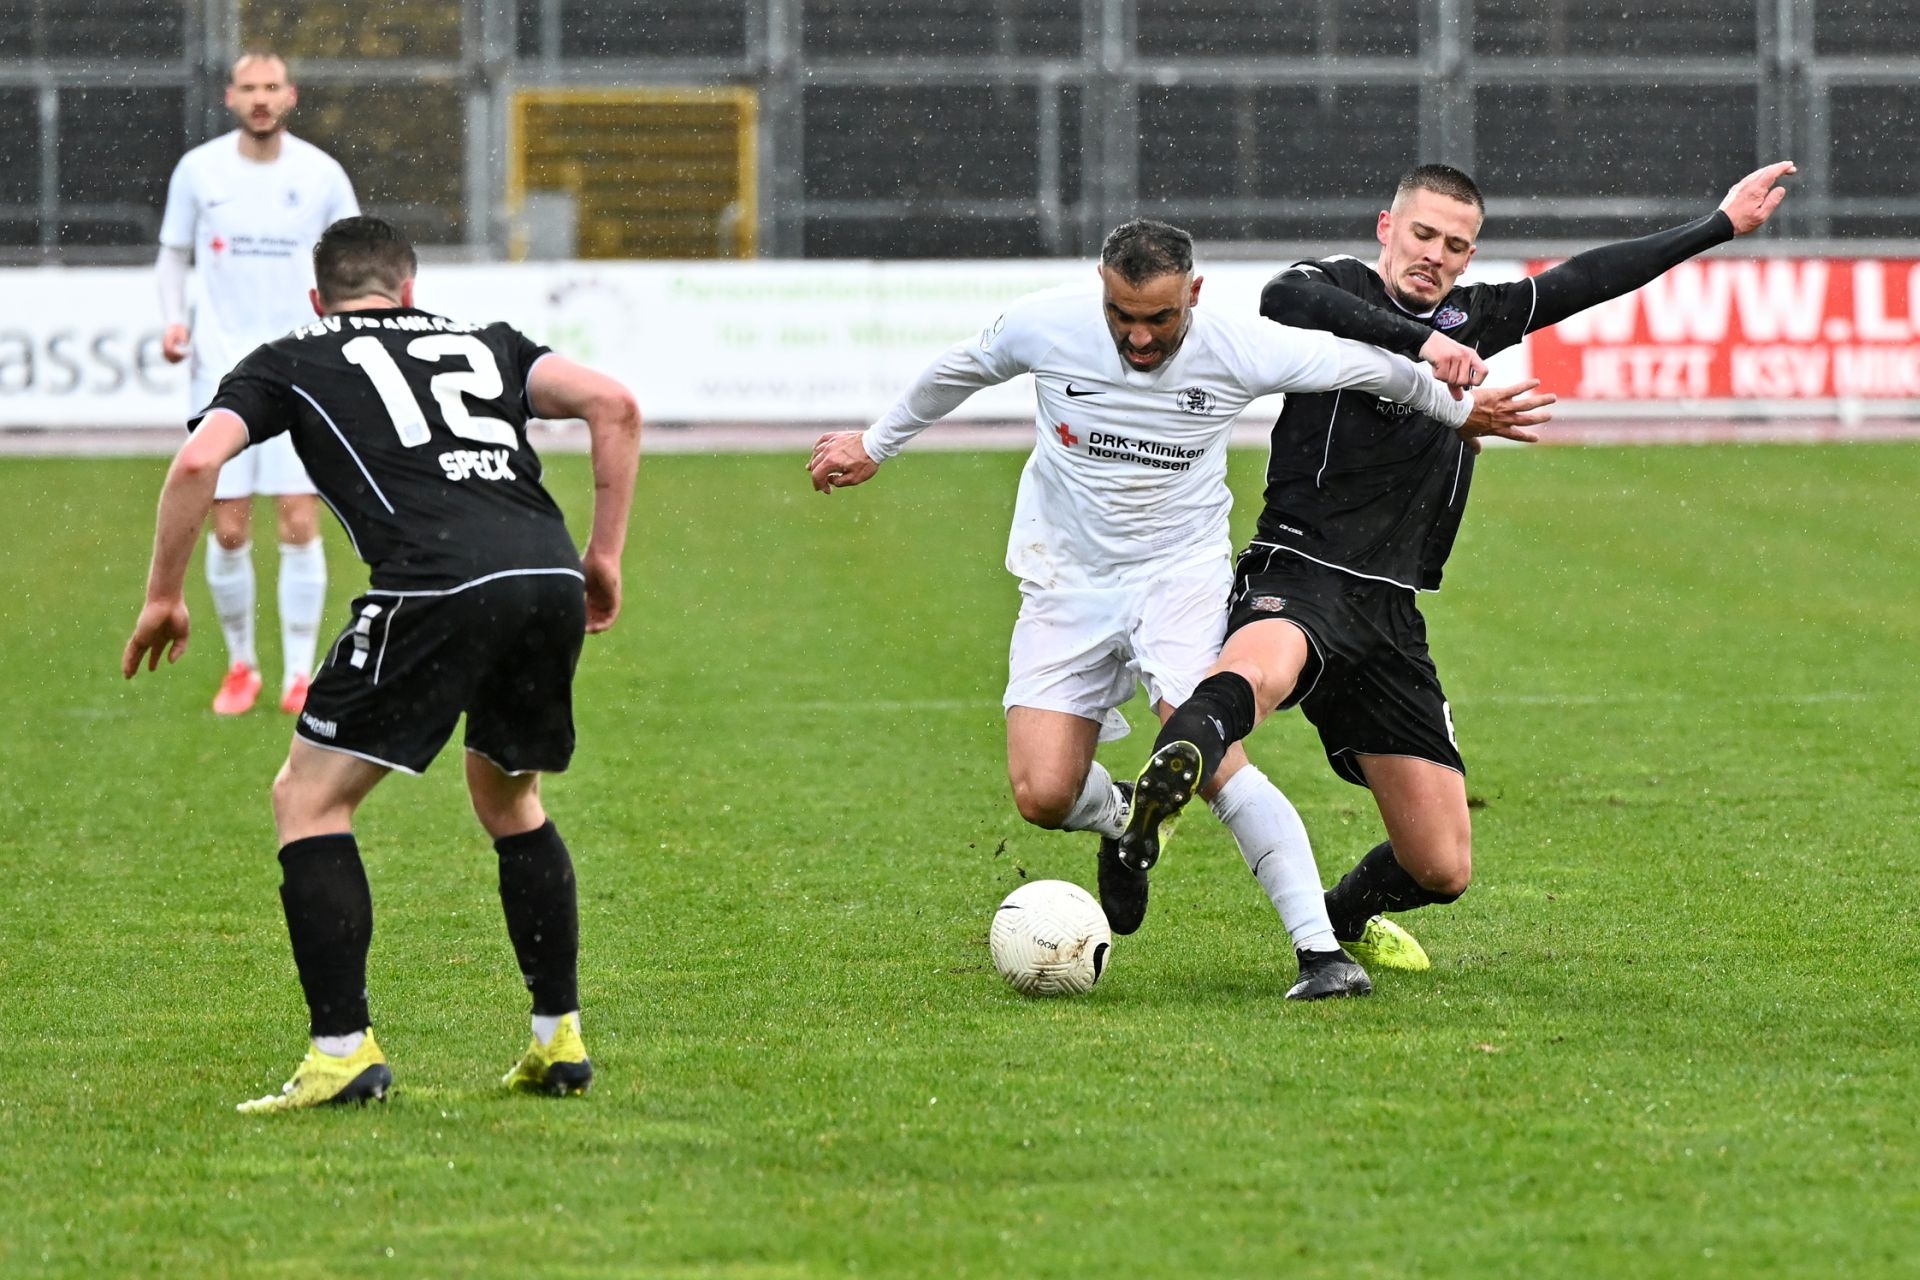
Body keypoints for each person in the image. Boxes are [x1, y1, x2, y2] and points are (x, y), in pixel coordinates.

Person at [808, 219, 1543, 1000]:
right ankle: (1127, 818)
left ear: (1193, 293)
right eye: (1122, 315)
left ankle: (1320, 953)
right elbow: (961, 367)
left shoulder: (1239, 345)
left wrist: (1453, 406)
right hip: (1064, 578)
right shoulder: (1046, 323)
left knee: (1213, 757)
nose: (1139, 336)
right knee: (1043, 794)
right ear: (1102, 288)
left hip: (1178, 578)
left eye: (1159, 318)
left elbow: (1364, 369)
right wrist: (877, 443)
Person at [1118, 162, 1796, 971]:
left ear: (1470, 255)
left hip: (1392, 615)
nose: (1435, 254)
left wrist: (1717, 224)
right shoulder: (1330, 289)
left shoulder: (1480, 315)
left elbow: (1591, 278)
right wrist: (1427, 345)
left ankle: (1339, 913)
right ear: (1386, 228)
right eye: (1423, 234)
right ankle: (1145, 820)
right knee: (1253, 680)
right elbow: (1281, 301)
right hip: (1300, 570)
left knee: (1441, 866)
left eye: (1456, 244)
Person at [123, 216, 642, 1112]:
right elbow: (615, 405)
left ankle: (341, 1053)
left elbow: (198, 462)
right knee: (511, 799)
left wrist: (165, 595)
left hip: (434, 583)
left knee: (308, 799)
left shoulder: (290, 356)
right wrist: (603, 555)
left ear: (319, 298)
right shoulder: (489, 341)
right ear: (409, 290)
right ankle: (557, 1038)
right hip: (544, 572)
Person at [156, 48, 361, 716]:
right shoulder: (199, 169)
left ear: (291, 95)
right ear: (231, 98)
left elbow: (352, 259)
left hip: (304, 368)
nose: (261, 98)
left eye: (272, 87)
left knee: (300, 521)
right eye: (249, 88)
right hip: (222, 370)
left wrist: (353, 334)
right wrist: (171, 323)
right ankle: (241, 665)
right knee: (231, 529)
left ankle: (299, 676)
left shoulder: (322, 173)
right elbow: (173, 255)